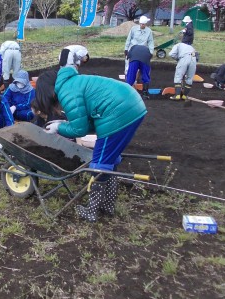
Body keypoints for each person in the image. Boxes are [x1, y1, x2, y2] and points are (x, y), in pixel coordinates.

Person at [34, 67, 147, 223]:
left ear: (49, 92)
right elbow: (87, 123)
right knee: (108, 160)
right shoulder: (73, 83)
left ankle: (92, 211)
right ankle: (107, 205)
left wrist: (58, 128)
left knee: (98, 165)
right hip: (131, 105)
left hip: (118, 112)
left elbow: (79, 130)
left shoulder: (66, 92)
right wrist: (64, 123)